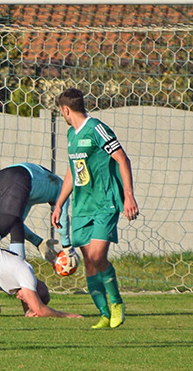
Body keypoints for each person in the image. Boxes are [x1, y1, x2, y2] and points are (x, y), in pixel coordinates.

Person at [52, 88, 139, 329]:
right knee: (88, 262)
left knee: (98, 256)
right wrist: (59, 203)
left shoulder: (98, 129)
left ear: (65, 109)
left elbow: (123, 159)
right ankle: (103, 314)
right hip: (81, 207)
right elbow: (73, 170)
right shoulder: (71, 135)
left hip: (105, 203)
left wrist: (128, 196)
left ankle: (117, 302)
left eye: (61, 111)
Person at [0, 163, 72, 262]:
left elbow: (20, 225)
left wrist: (38, 242)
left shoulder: (31, 193)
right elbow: (62, 219)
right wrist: (67, 248)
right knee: (2, 227)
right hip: (18, 179)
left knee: (16, 227)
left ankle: (18, 273)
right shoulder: (62, 187)